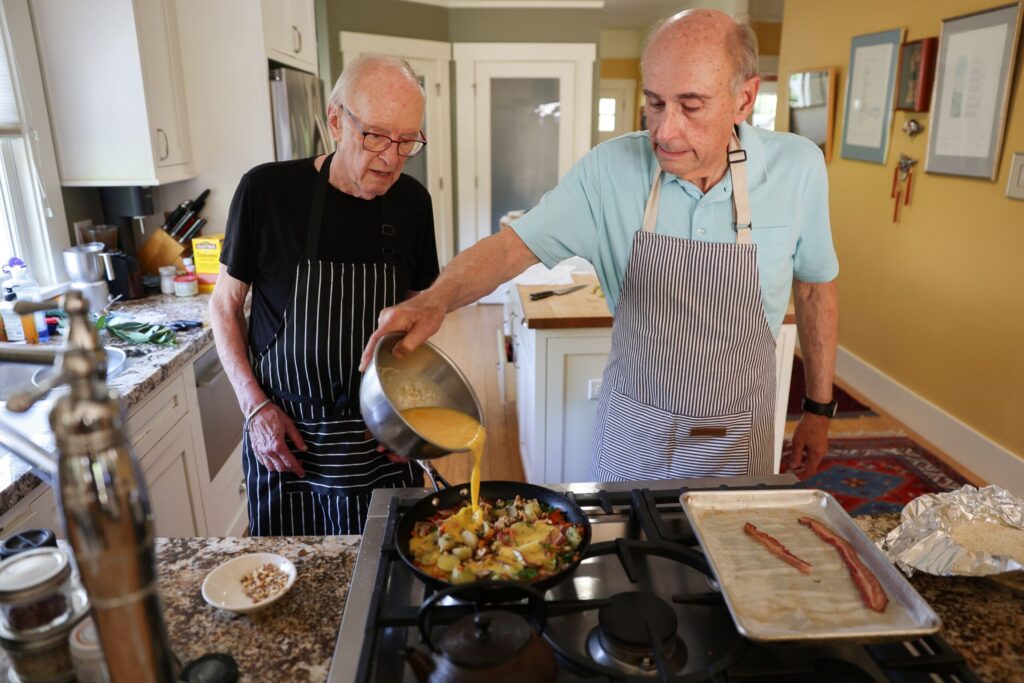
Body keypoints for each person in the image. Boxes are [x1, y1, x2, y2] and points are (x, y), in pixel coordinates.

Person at [361, 9, 840, 480]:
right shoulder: (608, 170)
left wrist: (818, 409)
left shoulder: (798, 170)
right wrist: (435, 300)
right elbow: (510, 248)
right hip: (633, 433)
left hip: (737, 438)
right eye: (654, 103)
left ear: (744, 98)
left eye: (691, 106)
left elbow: (817, 289)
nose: (665, 131)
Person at [210, 54, 439, 535]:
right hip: (289, 445)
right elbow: (224, 306)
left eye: (407, 141)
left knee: (383, 588)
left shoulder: (414, 204)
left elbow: (419, 321)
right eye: (376, 135)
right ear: (336, 120)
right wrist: (254, 408)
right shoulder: (266, 192)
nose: (391, 158)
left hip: (378, 444)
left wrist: (413, 414)